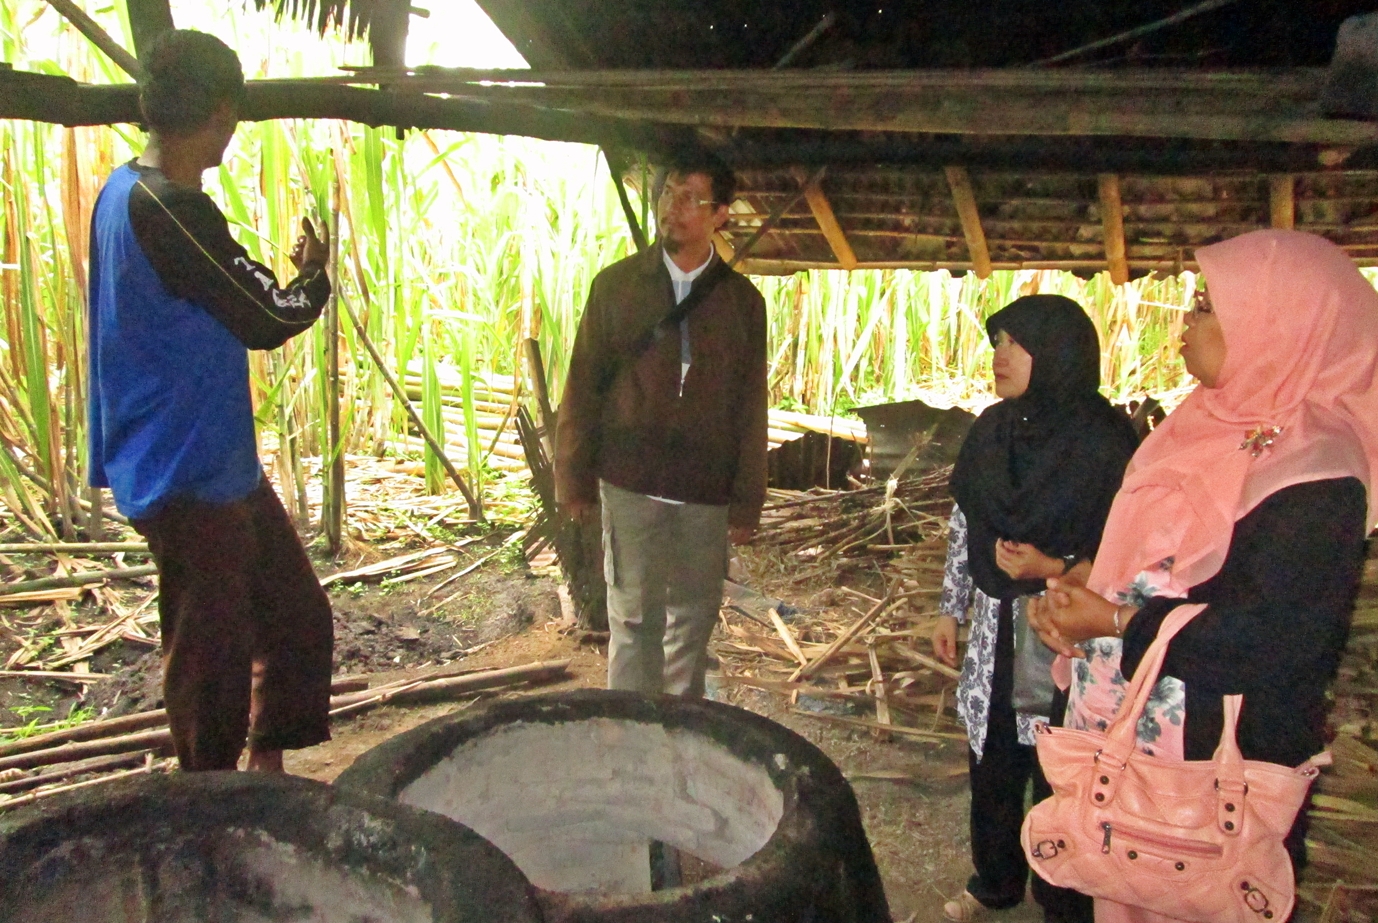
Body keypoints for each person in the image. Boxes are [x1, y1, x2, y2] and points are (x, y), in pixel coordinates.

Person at [1031, 229, 1377, 923]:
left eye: (1207, 305)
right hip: (1116, 746)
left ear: (1279, 324)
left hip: (1209, 775)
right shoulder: (1200, 425)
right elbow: (1143, 558)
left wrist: (1115, 621)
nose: (1187, 321)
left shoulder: (1317, 468)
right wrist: (1080, 591)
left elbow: (1274, 641)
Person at [87, 29, 334, 772]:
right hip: (184, 473)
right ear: (222, 113)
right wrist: (314, 277)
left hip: (209, 462)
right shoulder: (168, 212)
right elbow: (266, 315)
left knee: (295, 619)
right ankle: (209, 806)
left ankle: (266, 773)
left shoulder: (124, 189)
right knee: (211, 661)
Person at [935, 295, 1139, 923]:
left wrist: (1052, 568)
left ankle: (1065, 895)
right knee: (993, 758)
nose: (997, 355)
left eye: (1013, 344)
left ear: (1055, 354)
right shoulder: (993, 431)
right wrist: (952, 606)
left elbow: (1132, 550)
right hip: (997, 624)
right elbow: (966, 518)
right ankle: (994, 880)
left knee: (1066, 766)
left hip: (1069, 635)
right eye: (996, 341)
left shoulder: (1106, 444)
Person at [554, 149, 768, 697]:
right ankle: (628, 738)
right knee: (631, 621)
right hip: (629, 482)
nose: (675, 208)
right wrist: (573, 476)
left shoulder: (743, 304)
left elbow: (750, 407)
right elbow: (581, 386)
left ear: (720, 214)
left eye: (693, 198)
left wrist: (747, 499)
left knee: (691, 627)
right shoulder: (617, 287)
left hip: (703, 491)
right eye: (670, 193)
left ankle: (678, 745)